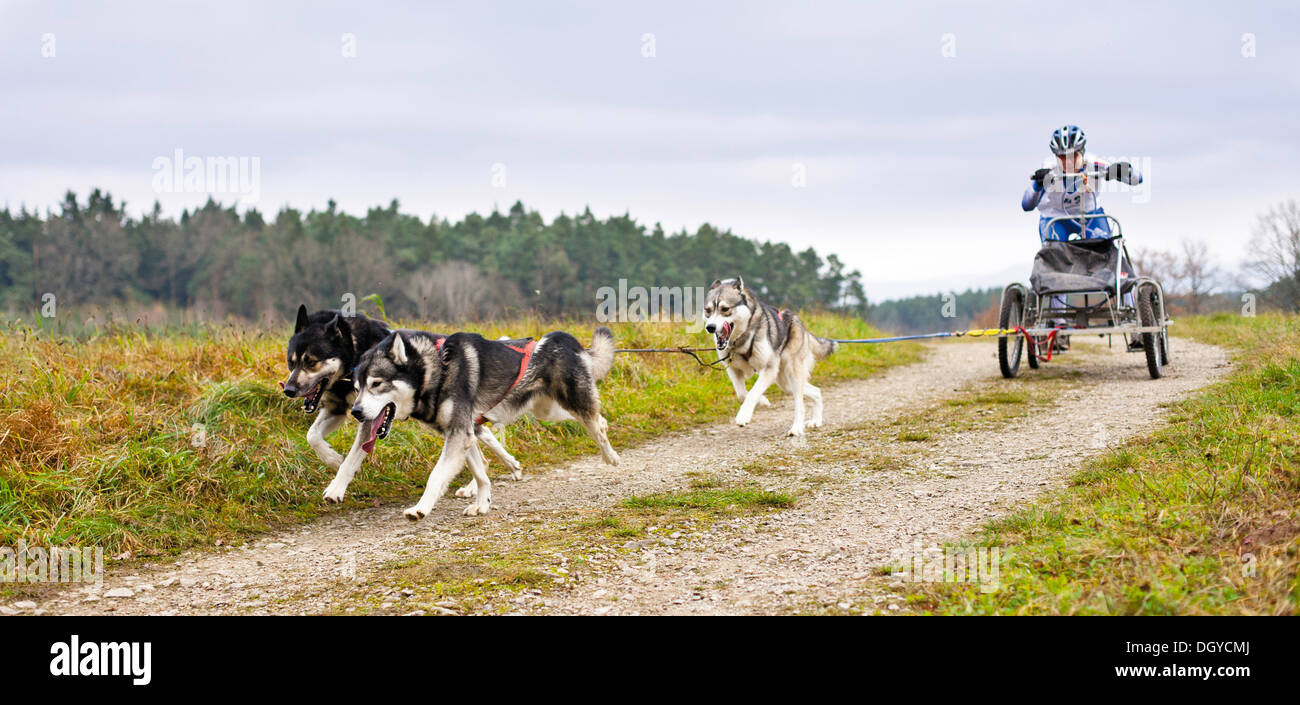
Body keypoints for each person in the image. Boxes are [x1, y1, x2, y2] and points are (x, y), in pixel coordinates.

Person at [1021, 125, 1142, 242]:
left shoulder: (1094, 163)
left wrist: (1125, 171)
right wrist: (1037, 185)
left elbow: (1138, 179)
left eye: (1073, 155)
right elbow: (1026, 206)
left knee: (1103, 248)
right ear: (1056, 156)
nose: (1068, 162)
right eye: (1062, 157)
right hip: (1055, 217)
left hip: (1089, 214)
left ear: (1082, 152)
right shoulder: (1049, 168)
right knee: (1053, 253)